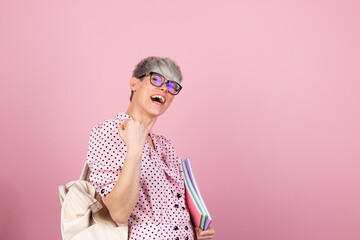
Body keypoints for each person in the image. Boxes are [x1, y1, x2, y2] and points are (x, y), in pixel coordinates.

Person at [86, 56, 215, 240]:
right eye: (156, 79)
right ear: (134, 84)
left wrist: (194, 233)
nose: (164, 88)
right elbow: (118, 213)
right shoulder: (109, 132)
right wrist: (135, 148)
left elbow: (173, 216)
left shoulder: (165, 146)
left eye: (172, 87)